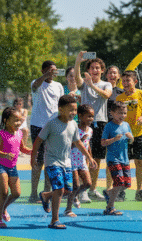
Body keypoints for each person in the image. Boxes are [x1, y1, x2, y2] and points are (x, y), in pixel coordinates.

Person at [31, 95, 97, 229]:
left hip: (67, 162)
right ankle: (54, 220)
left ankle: (46, 195)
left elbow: (78, 142)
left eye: (75, 110)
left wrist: (89, 157)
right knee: (60, 189)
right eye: (70, 110)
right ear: (61, 110)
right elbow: (38, 140)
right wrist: (33, 157)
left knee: (68, 190)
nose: (73, 113)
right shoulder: (52, 123)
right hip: (52, 161)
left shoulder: (73, 124)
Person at [74, 51, 112, 202]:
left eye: (98, 68)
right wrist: (78, 61)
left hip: (100, 123)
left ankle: (92, 189)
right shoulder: (84, 84)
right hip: (84, 124)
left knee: (96, 158)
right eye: (92, 68)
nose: (95, 70)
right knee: (82, 157)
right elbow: (77, 78)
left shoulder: (106, 84)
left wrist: (93, 86)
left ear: (102, 70)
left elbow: (107, 95)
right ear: (88, 70)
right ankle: (82, 190)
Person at [116, 70, 142, 201]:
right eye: (124, 81)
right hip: (124, 135)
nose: (125, 83)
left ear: (135, 82)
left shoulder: (141, 94)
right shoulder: (120, 98)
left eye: (128, 81)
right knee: (123, 163)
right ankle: (121, 189)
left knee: (139, 162)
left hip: (139, 133)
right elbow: (115, 115)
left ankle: (140, 190)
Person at [29, 60, 64, 203]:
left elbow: (61, 104)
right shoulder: (36, 83)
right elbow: (36, 85)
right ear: (43, 71)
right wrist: (45, 76)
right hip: (38, 125)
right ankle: (33, 194)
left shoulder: (59, 86)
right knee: (38, 160)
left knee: (50, 161)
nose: (53, 73)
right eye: (50, 70)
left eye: (54, 70)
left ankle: (46, 192)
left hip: (53, 126)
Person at [0, 107, 32, 228]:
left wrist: (33, 151)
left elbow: (22, 148)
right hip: (0, 166)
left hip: (12, 167)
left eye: (20, 120)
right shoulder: (1, 134)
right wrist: (5, 154)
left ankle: (4, 208)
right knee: (4, 193)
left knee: (16, 193)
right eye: (15, 120)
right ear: (6, 120)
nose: (18, 123)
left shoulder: (19, 133)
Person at [101, 101, 133, 215]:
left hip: (125, 159)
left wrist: (131, 138)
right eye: (120, 113)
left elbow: (131, 140)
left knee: (126, 185)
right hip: (113, 159)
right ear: (112, 113)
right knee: (118, 183)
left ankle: (109, 192)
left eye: (124, 113)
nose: (123, 116)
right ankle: (109, 208)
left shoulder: (126, 125)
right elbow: (103, 143)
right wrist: (114, 139)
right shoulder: (109, 126)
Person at [64, 104, 94, 217]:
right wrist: (79, 141)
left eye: (92, 116)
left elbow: (87, 145)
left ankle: (74, 195)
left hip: (81, 161)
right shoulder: (73, 128)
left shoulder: (90, 130)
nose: (91, 119)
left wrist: (90, 158)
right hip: (71, 160)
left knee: (87, 184)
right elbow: (68, 145)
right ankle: (68, 209)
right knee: (75, 185)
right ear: (80, 116)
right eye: (88, 116)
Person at [104, 65, 125, 201]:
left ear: (118, 76)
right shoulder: (104, 88)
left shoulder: (121, 92)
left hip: (118, 128)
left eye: (115, 73)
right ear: (106, 75)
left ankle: (116, 188)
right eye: (110, 73)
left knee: (118, 158)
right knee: (107, 158)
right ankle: (108, 187)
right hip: (106, 126)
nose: (112, 75)